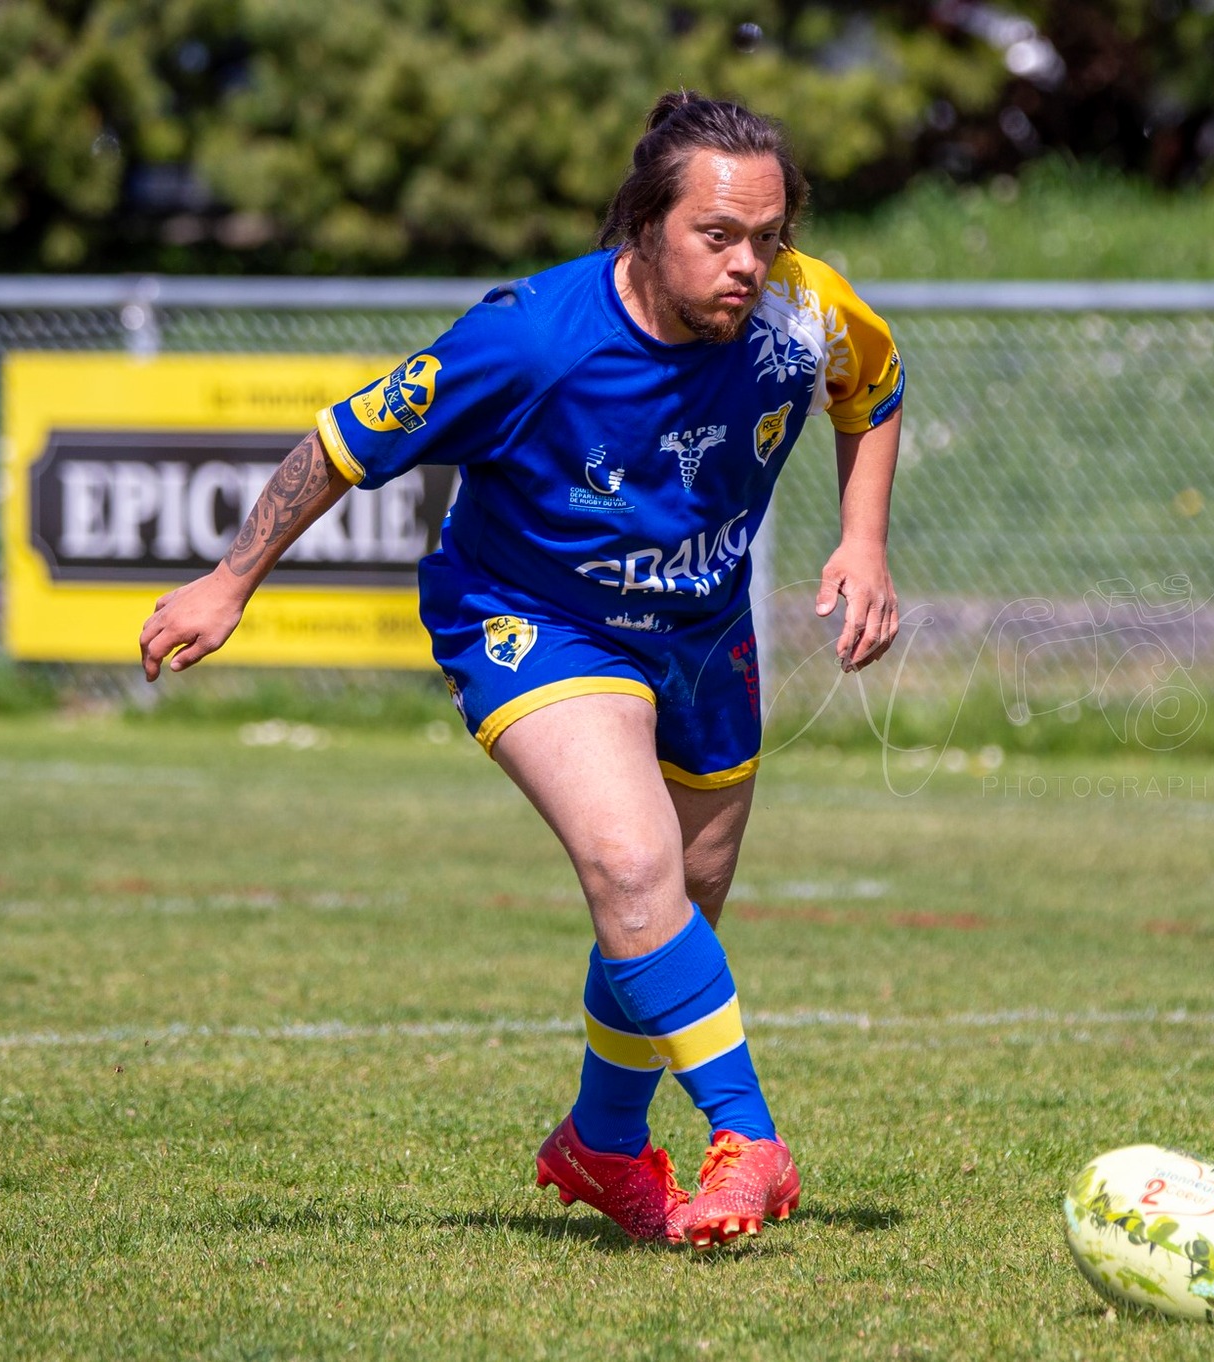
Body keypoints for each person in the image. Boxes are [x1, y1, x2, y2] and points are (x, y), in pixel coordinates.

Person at [137, 91, 905, 1250]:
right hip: (531, 620)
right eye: (718, 237)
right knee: (629, 859)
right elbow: (342, 442)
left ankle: (600, 1143)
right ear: (645, 225)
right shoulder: (530, 340)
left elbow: (875, 388)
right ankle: (748, 1139)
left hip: (700, 628)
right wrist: (230, 578)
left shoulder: (802, 311)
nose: (750, 264)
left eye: (768, 236)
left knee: (675, 907)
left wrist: (863, 540)